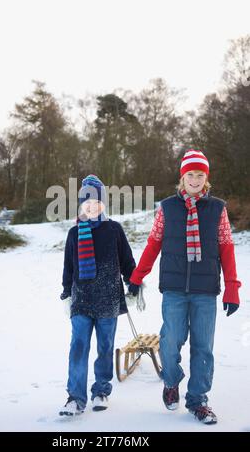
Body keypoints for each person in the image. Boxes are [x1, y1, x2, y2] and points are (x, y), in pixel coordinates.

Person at [128, 150, 241, 425]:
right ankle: (171, 381)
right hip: (174, 289)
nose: (195, 179)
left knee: (203, 348)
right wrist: (136, 276)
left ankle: (198, 400)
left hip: (205, 291)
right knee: (169, 341)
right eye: (190, 174)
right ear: (182, 177)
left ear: (206, 178)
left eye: (200, 175)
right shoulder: (167, 208)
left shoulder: (217, 209)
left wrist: (232, 287)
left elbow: (226, 249)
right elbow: (154, 244)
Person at [59, 174, 136, 416]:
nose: (91, 206)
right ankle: (75, 398)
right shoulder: (74, 233)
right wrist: (65, 294)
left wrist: (133, 284)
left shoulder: (114, 230)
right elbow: (68, 267)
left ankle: (101, 390)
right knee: (79, 346)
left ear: (104, 203)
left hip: (108, 299)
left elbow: (127, 261)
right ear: (81, 205)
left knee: (105, 347)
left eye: (96, 202)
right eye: (87, 202)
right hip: (81, 298)